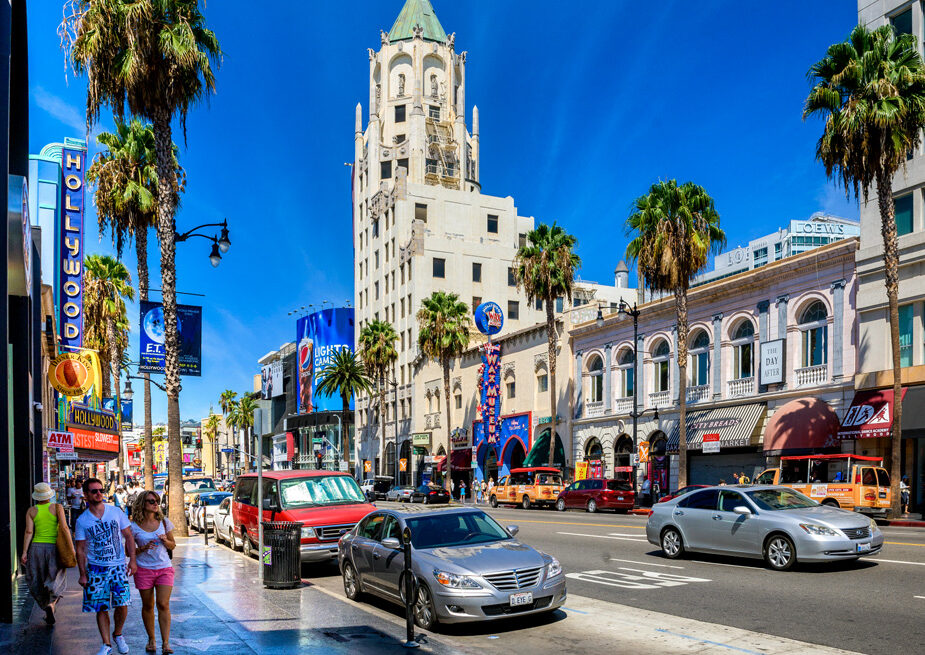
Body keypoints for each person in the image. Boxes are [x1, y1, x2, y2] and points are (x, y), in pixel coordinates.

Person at [75, 477, 137, 655]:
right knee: (101, 607)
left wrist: (132, 560)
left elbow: (129, 536)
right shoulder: (83, 520)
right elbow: (79, 549)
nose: (99, 494)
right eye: (94, 491)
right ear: (86, 495)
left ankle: (118, 634)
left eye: (101, 490)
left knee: (122, 603)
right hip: (96, 568)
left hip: (118, 567)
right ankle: (107, 644)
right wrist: (82, 574)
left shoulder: (115, 512)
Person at [130, 490, 175, 654]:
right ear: (143, 504)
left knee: (163, 604)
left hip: (164, 568)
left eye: (157, 501)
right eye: (151, 501)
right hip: (143, 570)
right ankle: (151, 639)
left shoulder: (164, 522)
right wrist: (143, 548)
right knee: (148, 605)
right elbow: (129, 552)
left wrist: (165, 541)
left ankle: (166, 643)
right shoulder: (134, 526)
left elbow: (173, 545)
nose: (156, 504)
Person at [21, 482, 73, 625]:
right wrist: (71, 548)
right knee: (56, 576)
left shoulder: (31, 510)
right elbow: (64, 528)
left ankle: (47, 606)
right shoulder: (57, 508)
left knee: (37, 577)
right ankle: (51, 603)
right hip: (54, 548)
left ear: (37, 496)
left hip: (36, 548)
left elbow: (29, 532)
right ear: (49, 495)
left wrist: (24, 552)